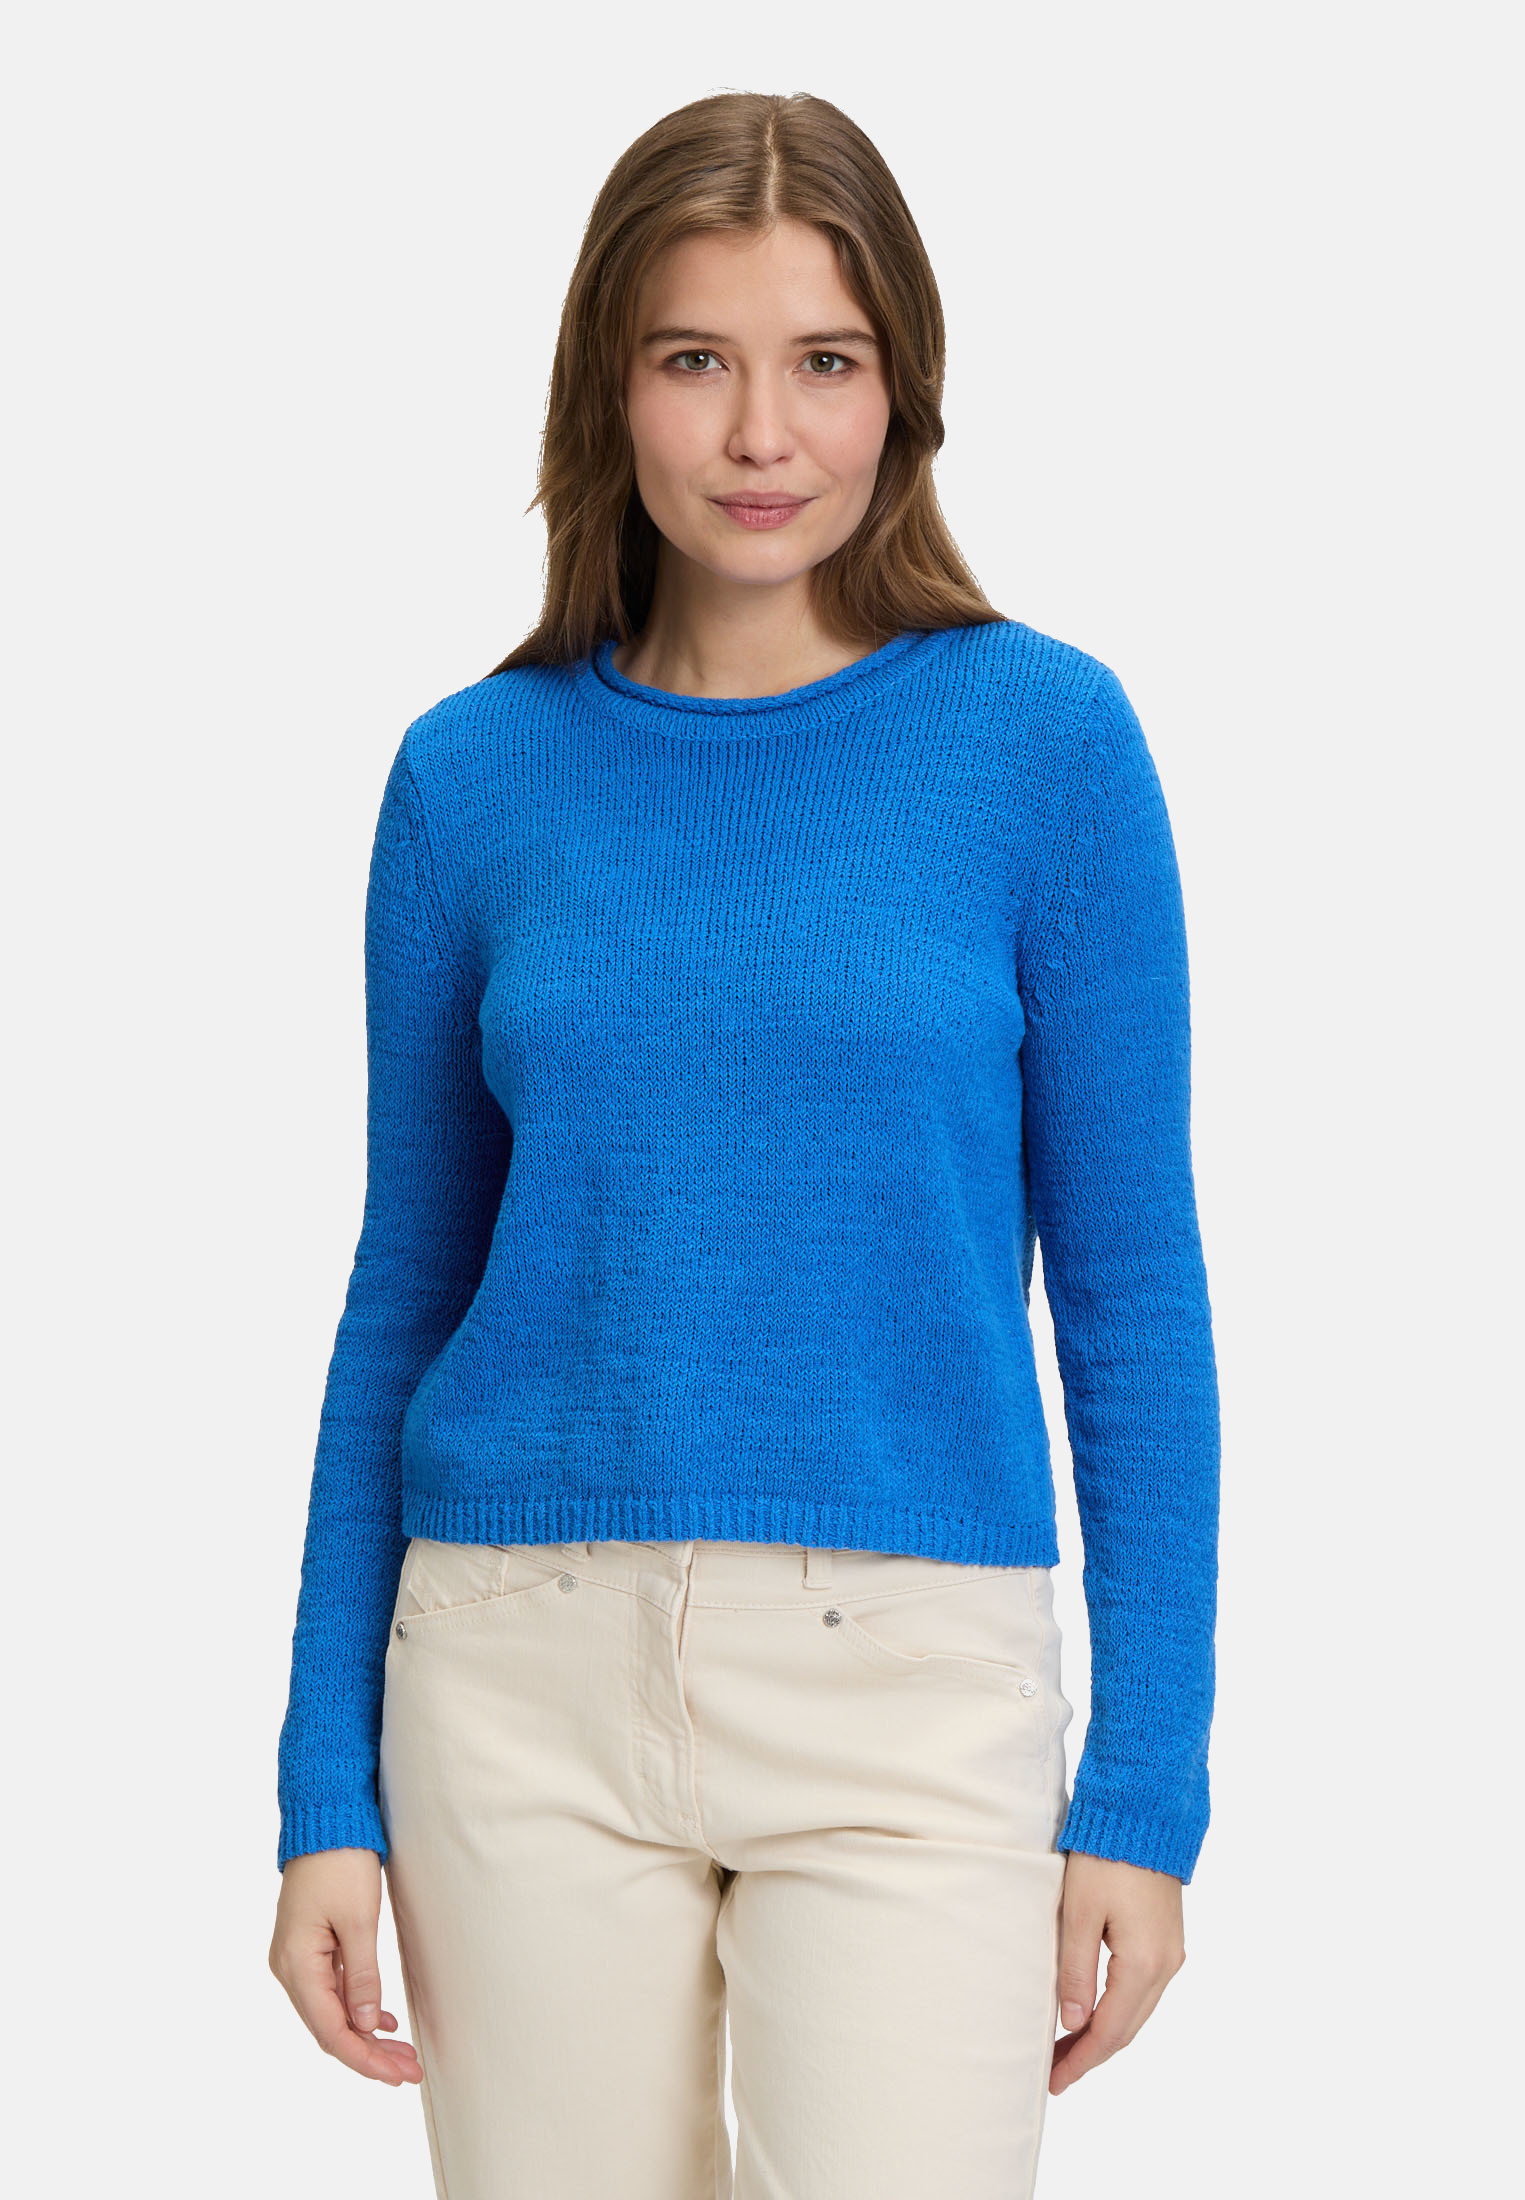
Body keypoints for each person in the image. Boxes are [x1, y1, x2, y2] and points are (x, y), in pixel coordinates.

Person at [268, 88, 1220, 2200]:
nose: (762, 432)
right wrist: (324, 1782)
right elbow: (405, 1289)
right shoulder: (470, 778)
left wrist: (1145, 1790)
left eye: (827, 360)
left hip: (913, 1688)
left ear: (906, 389)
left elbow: (1133, 1292)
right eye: (695, 358)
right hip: (513, 1671)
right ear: (609, 387)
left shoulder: (1044, 745)